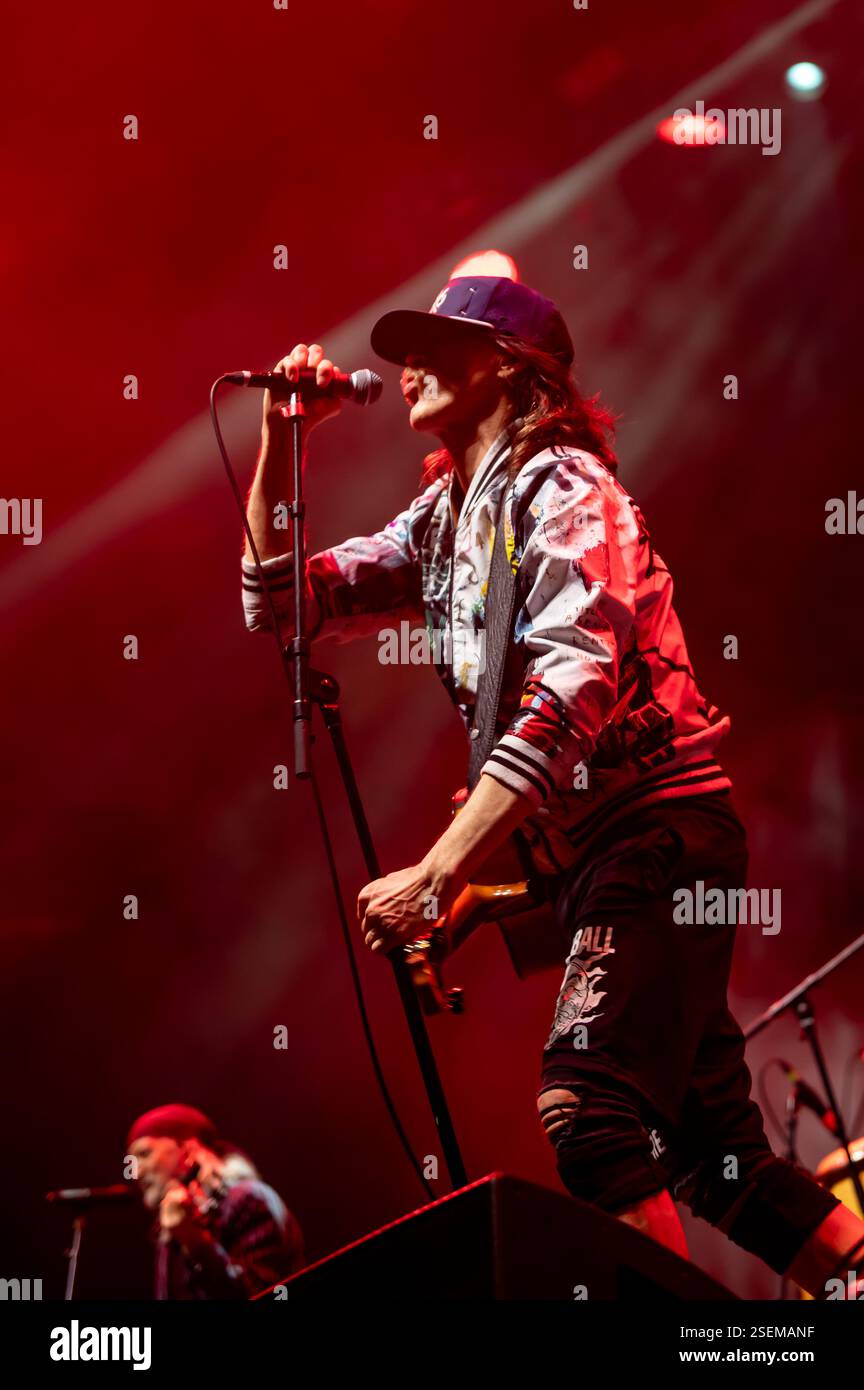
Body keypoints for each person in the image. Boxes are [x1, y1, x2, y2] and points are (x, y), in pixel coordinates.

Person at [241, 253, 864, 1298]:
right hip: (606, 852)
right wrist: (277, 439)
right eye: (403, 353)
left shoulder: (568, 488)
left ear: (509, 366)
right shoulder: (444, 520)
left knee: (587, 1107)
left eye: (436, 348)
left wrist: (439, 873)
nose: (405, 368)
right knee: (717, 1159)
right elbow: (279, 602)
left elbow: (570, 697)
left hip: (660, 836)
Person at [126, 1103, 304, 1298]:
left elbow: (263, 1292)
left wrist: (195, 1241)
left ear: (188, 1150)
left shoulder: (248, 1200)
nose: (136, 1173)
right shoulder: (168, 1230)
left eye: (144, 1154)